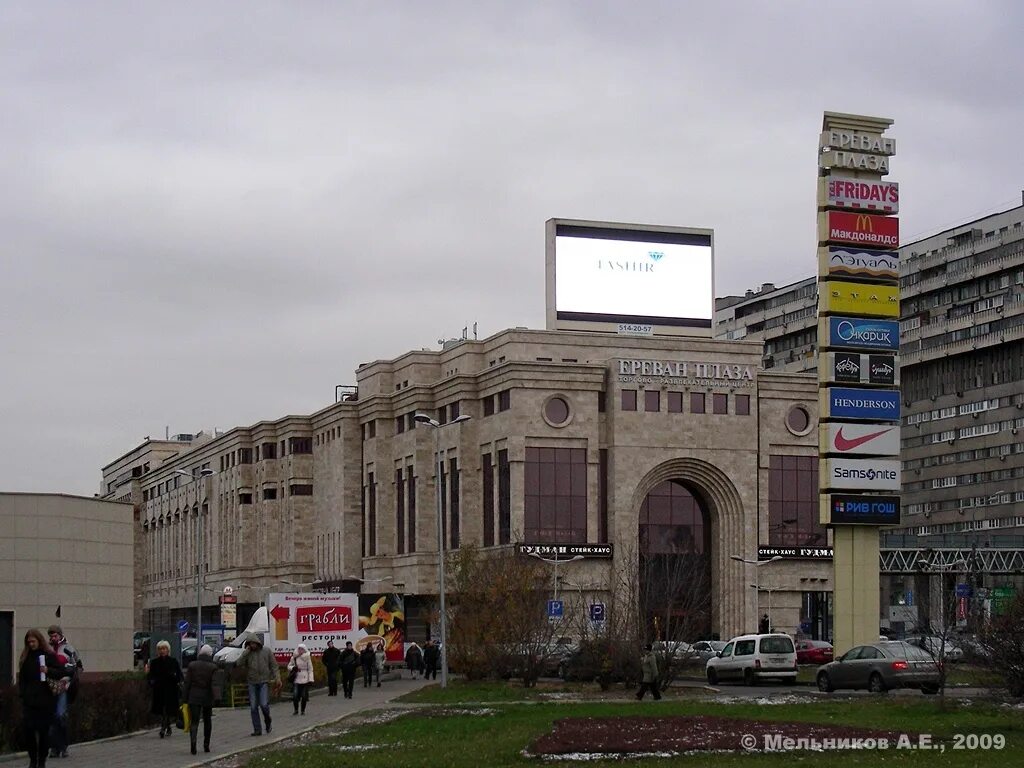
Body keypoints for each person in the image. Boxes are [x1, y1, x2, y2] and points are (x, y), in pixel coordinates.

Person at [19, 629, 66, 768]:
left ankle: (41, 761)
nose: (31, 644)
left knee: (43, 732)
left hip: (45, 701)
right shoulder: (26, 657)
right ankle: (33, 759)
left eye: (33, 641)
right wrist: (23, 694)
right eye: (29, 642)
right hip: (30, 702)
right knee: (29, 732)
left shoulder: (48, 655)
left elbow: (60, 672)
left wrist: (48, 670)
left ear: (39, 640)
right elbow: (23, 679)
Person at [46, 626, 80, 759]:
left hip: (63, 687)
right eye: (51, 636)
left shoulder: (68, 649)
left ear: (60, 635)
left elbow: (76, 667)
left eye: (55, 635)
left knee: (60, 716)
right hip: (50, 688)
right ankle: (54, 747)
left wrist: (68, 681)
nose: (53, 638)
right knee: (52, 718)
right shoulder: (48, 650)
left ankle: (63, 746)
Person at [183, 645, 217, 755]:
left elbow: (187, 683)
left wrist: (185, 698)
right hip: (207, 696)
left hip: (194, 695)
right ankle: (206, 745)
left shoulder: (192, 665)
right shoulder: (213, 667)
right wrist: (215, 697)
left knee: (194, 721)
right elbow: (215, 684)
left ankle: (193, 744)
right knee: (207, 720)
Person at [146, 640, 184, 738]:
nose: (162, 651)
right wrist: (151, 681)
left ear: (168, 650)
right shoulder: (154, 662)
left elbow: (179, 676)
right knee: (163, 710)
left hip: (171, 690)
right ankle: (168, 727)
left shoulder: (173, 661)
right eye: (160, 649)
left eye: (164, 649)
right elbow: (151, 676)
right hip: (159, 690)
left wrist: (175, 677)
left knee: (167, 710)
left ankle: (163, 728)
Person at [287, 644, 314, 715]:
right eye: (299, 649)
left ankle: (303, 710)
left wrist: (311, 679)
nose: (300, 650)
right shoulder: (294, 657)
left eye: (301, 649)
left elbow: (310, 669)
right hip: (297, 678)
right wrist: (293, 668)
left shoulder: (307, 658)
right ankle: (296, 710)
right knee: (295, 696)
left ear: (304, 650)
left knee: (304, 696)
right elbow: (289, 666)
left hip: (305, 679)